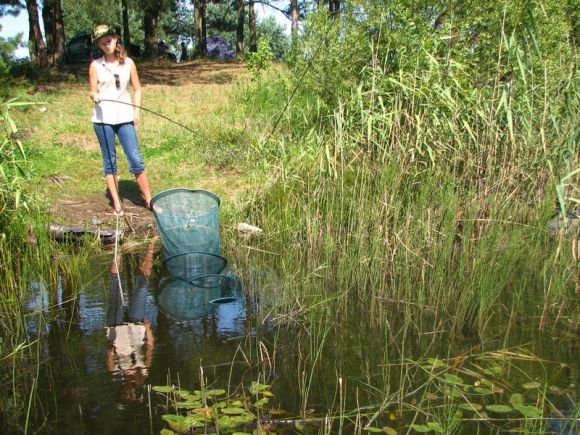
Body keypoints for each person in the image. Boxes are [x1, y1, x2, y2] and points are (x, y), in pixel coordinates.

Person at [89, 24, 152, 216]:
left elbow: (138, 88)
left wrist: (137, 111)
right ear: (99, 44)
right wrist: (94, 96)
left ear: (115, 38)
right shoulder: (96, 66)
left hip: (124, 117)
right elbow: (92, 90)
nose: (106, 43)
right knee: (110, 161)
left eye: (108, 38)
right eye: (102, 41)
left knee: (135, 158)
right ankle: (117, 204)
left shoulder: (129, 63)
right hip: (103, 119)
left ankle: (149, 200)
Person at [106, 240, 156, 401]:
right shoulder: (144, 370)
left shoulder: (116, 372)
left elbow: (109, 352)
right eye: (133, 390)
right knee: (142, 285)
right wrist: (148, 330)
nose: (131, 385)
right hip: (137, 326)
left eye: (127, 391)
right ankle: (151, 245)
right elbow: (149, 348)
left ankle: (116, 246)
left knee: (115, 286)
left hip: (116, 327)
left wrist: (111, 349)